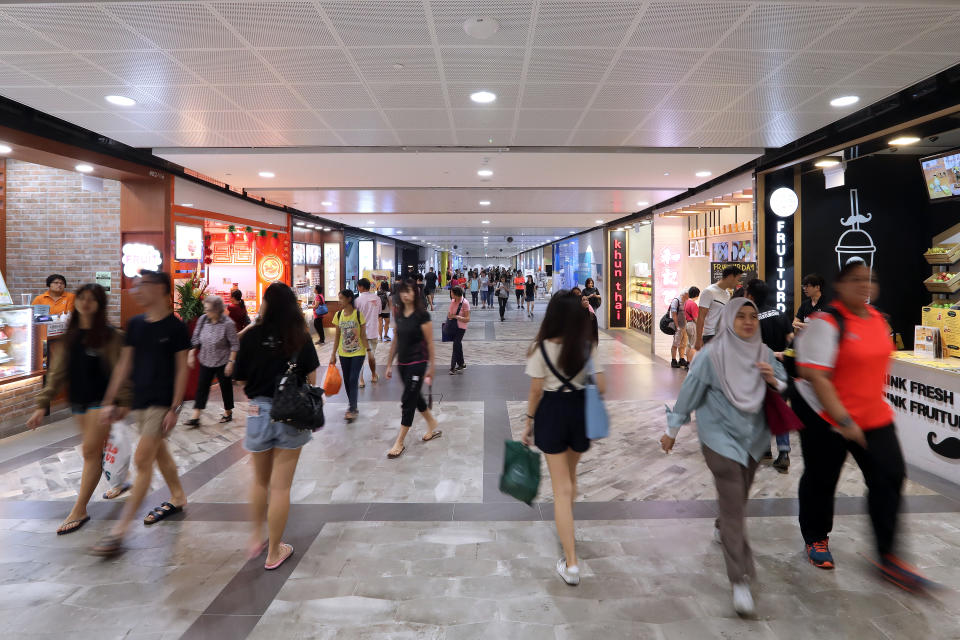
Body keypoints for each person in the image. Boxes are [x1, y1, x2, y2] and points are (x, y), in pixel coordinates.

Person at [793, 263, 927, 590]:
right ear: (839, 284)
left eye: (870, 280)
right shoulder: (826, 323)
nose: (865, 285)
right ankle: (816, 538)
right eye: (855, 280)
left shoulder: (879, 321)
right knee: (822, 479)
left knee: (889, 477)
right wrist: (843, 419)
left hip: (873, 416)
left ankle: (888, 555)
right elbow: (817, 377)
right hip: (826, 415)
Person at [662, 298, 787, 616]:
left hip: (753, 441)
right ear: (729, 320)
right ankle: (740, 579)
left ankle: (722, 524)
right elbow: (689, 394)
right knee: (735, 507)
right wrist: (672, 432)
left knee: (737, 500)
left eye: (752, 317)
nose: (747, 322)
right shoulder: (710, 357)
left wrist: (773, 379)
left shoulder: (763, 354)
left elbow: (784, 384)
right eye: (740, 316)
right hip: (718, 439)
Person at [91, 271, 191, 556]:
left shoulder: (176, 327)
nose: (136, 290)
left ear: (160, 289)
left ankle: (119, 532)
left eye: (142, 285)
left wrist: (175, 406)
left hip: (162, 405)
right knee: (159, 453)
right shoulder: (135, 325)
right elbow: (124, 364)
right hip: (140, 402)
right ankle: (178, 496)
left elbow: (183, 368)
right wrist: (110, 399)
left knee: (142, 459)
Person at [27, 283, 131, 533]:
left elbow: (122, 369)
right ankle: (117, 476)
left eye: (92, 299)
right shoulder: (70, 336)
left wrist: (123, 401)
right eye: (81, 298)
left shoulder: (111, 336)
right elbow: (58, 372)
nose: (85, 303)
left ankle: (80, 509)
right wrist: (43, 404)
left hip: (101, 401)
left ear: (100, 305)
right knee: (93, 452)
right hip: (79, 402)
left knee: (89, 453)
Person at [521, 291, 605, 587]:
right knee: (570, 479)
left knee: (560, 489)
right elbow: (602, 385)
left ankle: (571, 563)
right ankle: (568, 532)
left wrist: (528, 424)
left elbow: (535, 392)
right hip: (579, 412)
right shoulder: (587, 347)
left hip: (552, 412)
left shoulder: (541, 348)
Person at [234, 282, 319, 570]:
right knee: (281, 488)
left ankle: (256, 538)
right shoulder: (299, 337)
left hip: (258, 411)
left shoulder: (251, 336)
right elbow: (312, 379)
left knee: (259, 481)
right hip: (290, 415)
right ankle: (274, 551)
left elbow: (240, 377)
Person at [383, 280, 441, 458]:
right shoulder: (399, 314)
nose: (405, 295)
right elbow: (396, 340)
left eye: (409, 291)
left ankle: (399, 442)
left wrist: (432, 365)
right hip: (403, 363)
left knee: (408, 399)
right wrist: (389, 364)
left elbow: (430, 343)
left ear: (415, 293)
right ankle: (432, 423)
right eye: (403, 292)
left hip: (418, 362)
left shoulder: (422, 315)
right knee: (414, 395)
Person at [744, 279, 794, 472]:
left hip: (761, 369)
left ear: (751, 296)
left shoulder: (751, 319)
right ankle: (781, 451)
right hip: (781, 370)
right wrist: (783, 355)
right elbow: (791, 340)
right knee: (778, 409)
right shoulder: (780, 314)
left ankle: (767, 449)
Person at [184, 295, 239, 427]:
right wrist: (191, 353)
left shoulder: (228, 324)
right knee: (202, 387)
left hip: (223, 360)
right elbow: (196, 338)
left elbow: (234, 345)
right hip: (206, 359)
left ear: (216, 310)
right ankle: (196, 416)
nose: (205, 312)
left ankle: (228, 411)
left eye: (208, 309)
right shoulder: (203, 320)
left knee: (225, 387)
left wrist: (231, 362)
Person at [329, 288, 369, 422]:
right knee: (347, 380)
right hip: (343, 352)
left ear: (349, 299)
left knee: (353, 378)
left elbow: (363, 335)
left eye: (341, 298)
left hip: (358, 351)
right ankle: (352, 406)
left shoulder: (358, 315)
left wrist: (369, 351)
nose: (339, 301)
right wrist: (333, 354)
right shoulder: (338, 315)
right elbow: (337, 337)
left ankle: (352, 408)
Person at [695, 265, 743, 350]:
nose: (738, 283)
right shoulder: (709, 291)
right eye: (737, 279)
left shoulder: (727, 294)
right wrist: (698, 340)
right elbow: (701, 317)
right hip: (710, 336)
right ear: (731, 277)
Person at [355, 278, 381, 388]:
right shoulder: (377, 298)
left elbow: (355, 317)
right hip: (373, 331)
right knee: (371, 356)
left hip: (361, 333)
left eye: (358, 286)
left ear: (361, 287)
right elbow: (379, 313)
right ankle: (374, 375)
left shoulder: (358, 300)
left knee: (360, 357)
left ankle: (361, 380)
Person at [447, 286, 470, 374]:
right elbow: (449, 314)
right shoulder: (453, 301)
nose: (450, 294)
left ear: (456, 294)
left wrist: (456, 316)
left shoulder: (465, 303)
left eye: (451, 292)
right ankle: (462, 364)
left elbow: (467, 319)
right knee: (458, 345)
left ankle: (452, 367)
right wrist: (450, 316)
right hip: (453, 327)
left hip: (461, 327)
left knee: (456, 345)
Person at [669, 290, 690, 369]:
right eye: (688, 295)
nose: (689, 296)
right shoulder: (676, 301)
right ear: (685, 294)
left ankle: (681, 359)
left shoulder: (687, 301)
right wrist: (677, 326)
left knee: (683, 343)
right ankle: (673, 360)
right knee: (676, 343)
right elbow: (674, 314)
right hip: (678, 326)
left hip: (685, 326)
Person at [684, 286, 700, 364]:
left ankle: (688, 361)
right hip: (693, 325)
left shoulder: (686, 302)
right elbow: (695, 318)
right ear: (696, 295)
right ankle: (691, 363)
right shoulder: (693, 304)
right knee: (693, 345)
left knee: (689, 344)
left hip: (687, 324)